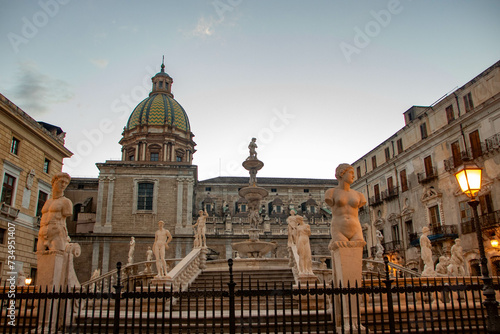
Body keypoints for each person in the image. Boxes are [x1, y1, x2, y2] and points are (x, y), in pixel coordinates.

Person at [324, 164, 367, 244]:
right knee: (342, 249)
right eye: (351, 173)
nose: (353, 176)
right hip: (339, 228)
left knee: (357, 251)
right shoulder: (331, 192)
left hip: (356, 229)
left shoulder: (359, 195)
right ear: (341, 173)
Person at [38, 172, 73, 252]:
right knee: (40, 256)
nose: (63, 185)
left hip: (57, 233)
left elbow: (64, 220)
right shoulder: (47, 202)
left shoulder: (66, 202)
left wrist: (66, 236)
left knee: (57, 258)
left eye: (66, 183)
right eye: (61, 182)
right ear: (54, 182)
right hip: (41, 234)